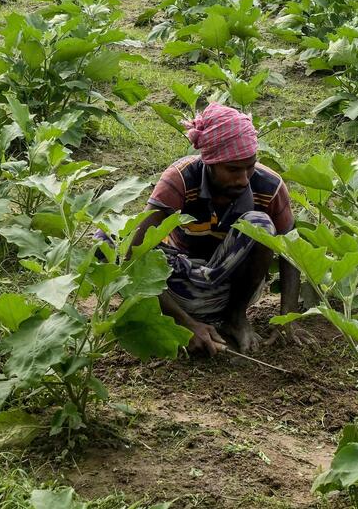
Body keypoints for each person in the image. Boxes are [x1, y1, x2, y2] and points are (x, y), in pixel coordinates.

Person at [128, 103, 301, 356]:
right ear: (210, 162)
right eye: (232, 169)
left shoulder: (269, 185)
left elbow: (292, 254)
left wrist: (288, 320)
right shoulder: (180, 180)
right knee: (109, 239)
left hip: (233, 290)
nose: (243, 178)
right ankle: (191, 318)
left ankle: (235, 317)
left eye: (249, 166)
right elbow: (135, 254)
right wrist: (185, 324)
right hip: (183, 288)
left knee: (260, 225)